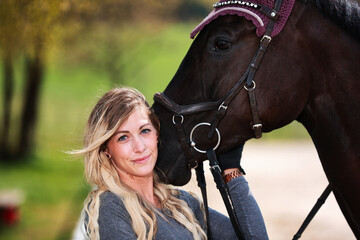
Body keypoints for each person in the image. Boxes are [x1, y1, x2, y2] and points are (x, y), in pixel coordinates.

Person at [71, 87, 268, 240]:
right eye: (123, 137)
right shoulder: (111, 205)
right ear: (106, 149)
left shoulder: (181, 204)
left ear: (157, 135)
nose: (139, 147)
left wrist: (231, 170)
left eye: (144, 131)